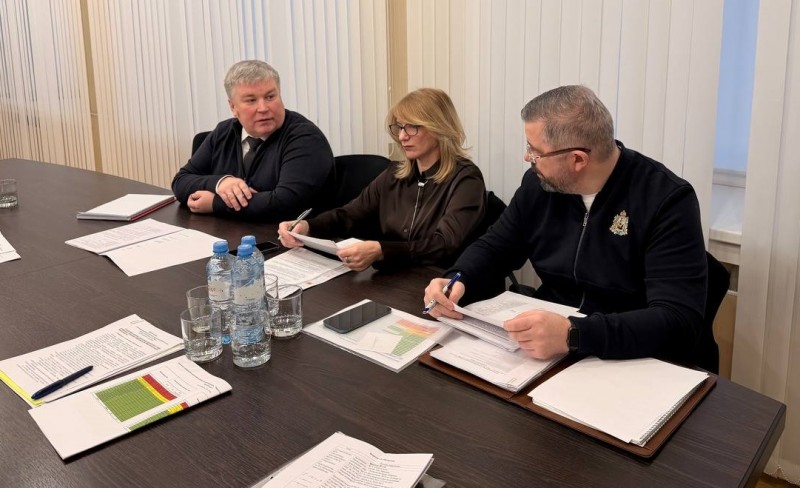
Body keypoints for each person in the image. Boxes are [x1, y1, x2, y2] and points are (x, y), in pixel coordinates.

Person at [424, 85, 709, 365]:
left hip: (630, 357)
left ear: (577, 160)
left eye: (535, 151)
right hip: (547, 349)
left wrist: (574, 334)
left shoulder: (666, 199)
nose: (527, 158)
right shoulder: (539, 186)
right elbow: (495, 247)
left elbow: (678, 320)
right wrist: (458, 278)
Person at [277, 88, 486, 272]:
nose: (402, 136)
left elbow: (444, 244)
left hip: (436, 282)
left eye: (412, 127)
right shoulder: (394, 174)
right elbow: (349, 215)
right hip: (392, 276)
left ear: (439, 128)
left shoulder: (466, 179)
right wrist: (307, 226)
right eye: (400, 127)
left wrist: (381, 250)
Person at [171, 60, 334, 221]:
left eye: (270, 97)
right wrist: (220, 183)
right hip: (225, 231)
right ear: (233, 107)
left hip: (282, 235)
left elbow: (284, 204)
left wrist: (215, 203)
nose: (263, 108)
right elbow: (180, 181)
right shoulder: (224, 132)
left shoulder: (305, 138)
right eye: (251, 100)